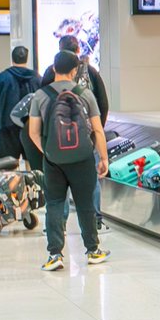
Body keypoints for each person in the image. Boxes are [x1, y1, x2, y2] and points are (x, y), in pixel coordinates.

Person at [28, 51, 110, 271]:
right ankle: (93, 250)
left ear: (54, 68)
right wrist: (103, 158)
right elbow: (98, 130)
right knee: (85, 204)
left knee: (54, 204)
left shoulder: (40, 95)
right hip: (82, 159)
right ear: (75, 71)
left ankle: (55, 254)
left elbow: (33, 132)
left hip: (53, 160)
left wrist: (48, 151)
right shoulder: (84, 94)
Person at [42, 36, 110, 232]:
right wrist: (96, 133)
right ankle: (95, 221)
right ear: (79, 49)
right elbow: (103, 103)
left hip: (56, 138)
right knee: (91, 180)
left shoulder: (50, 72)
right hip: (85, 136)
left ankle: (59, 223)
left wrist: (46, 139)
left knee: (57, 184)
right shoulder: (91, 71)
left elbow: (42, 103)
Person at [0, 46, 39, 161]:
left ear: (12, 59)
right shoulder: (36, 78)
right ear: (27, 59)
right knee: (32, 164)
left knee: (7, 167)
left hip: (7, 128)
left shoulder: (3, 77)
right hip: (31, 127)